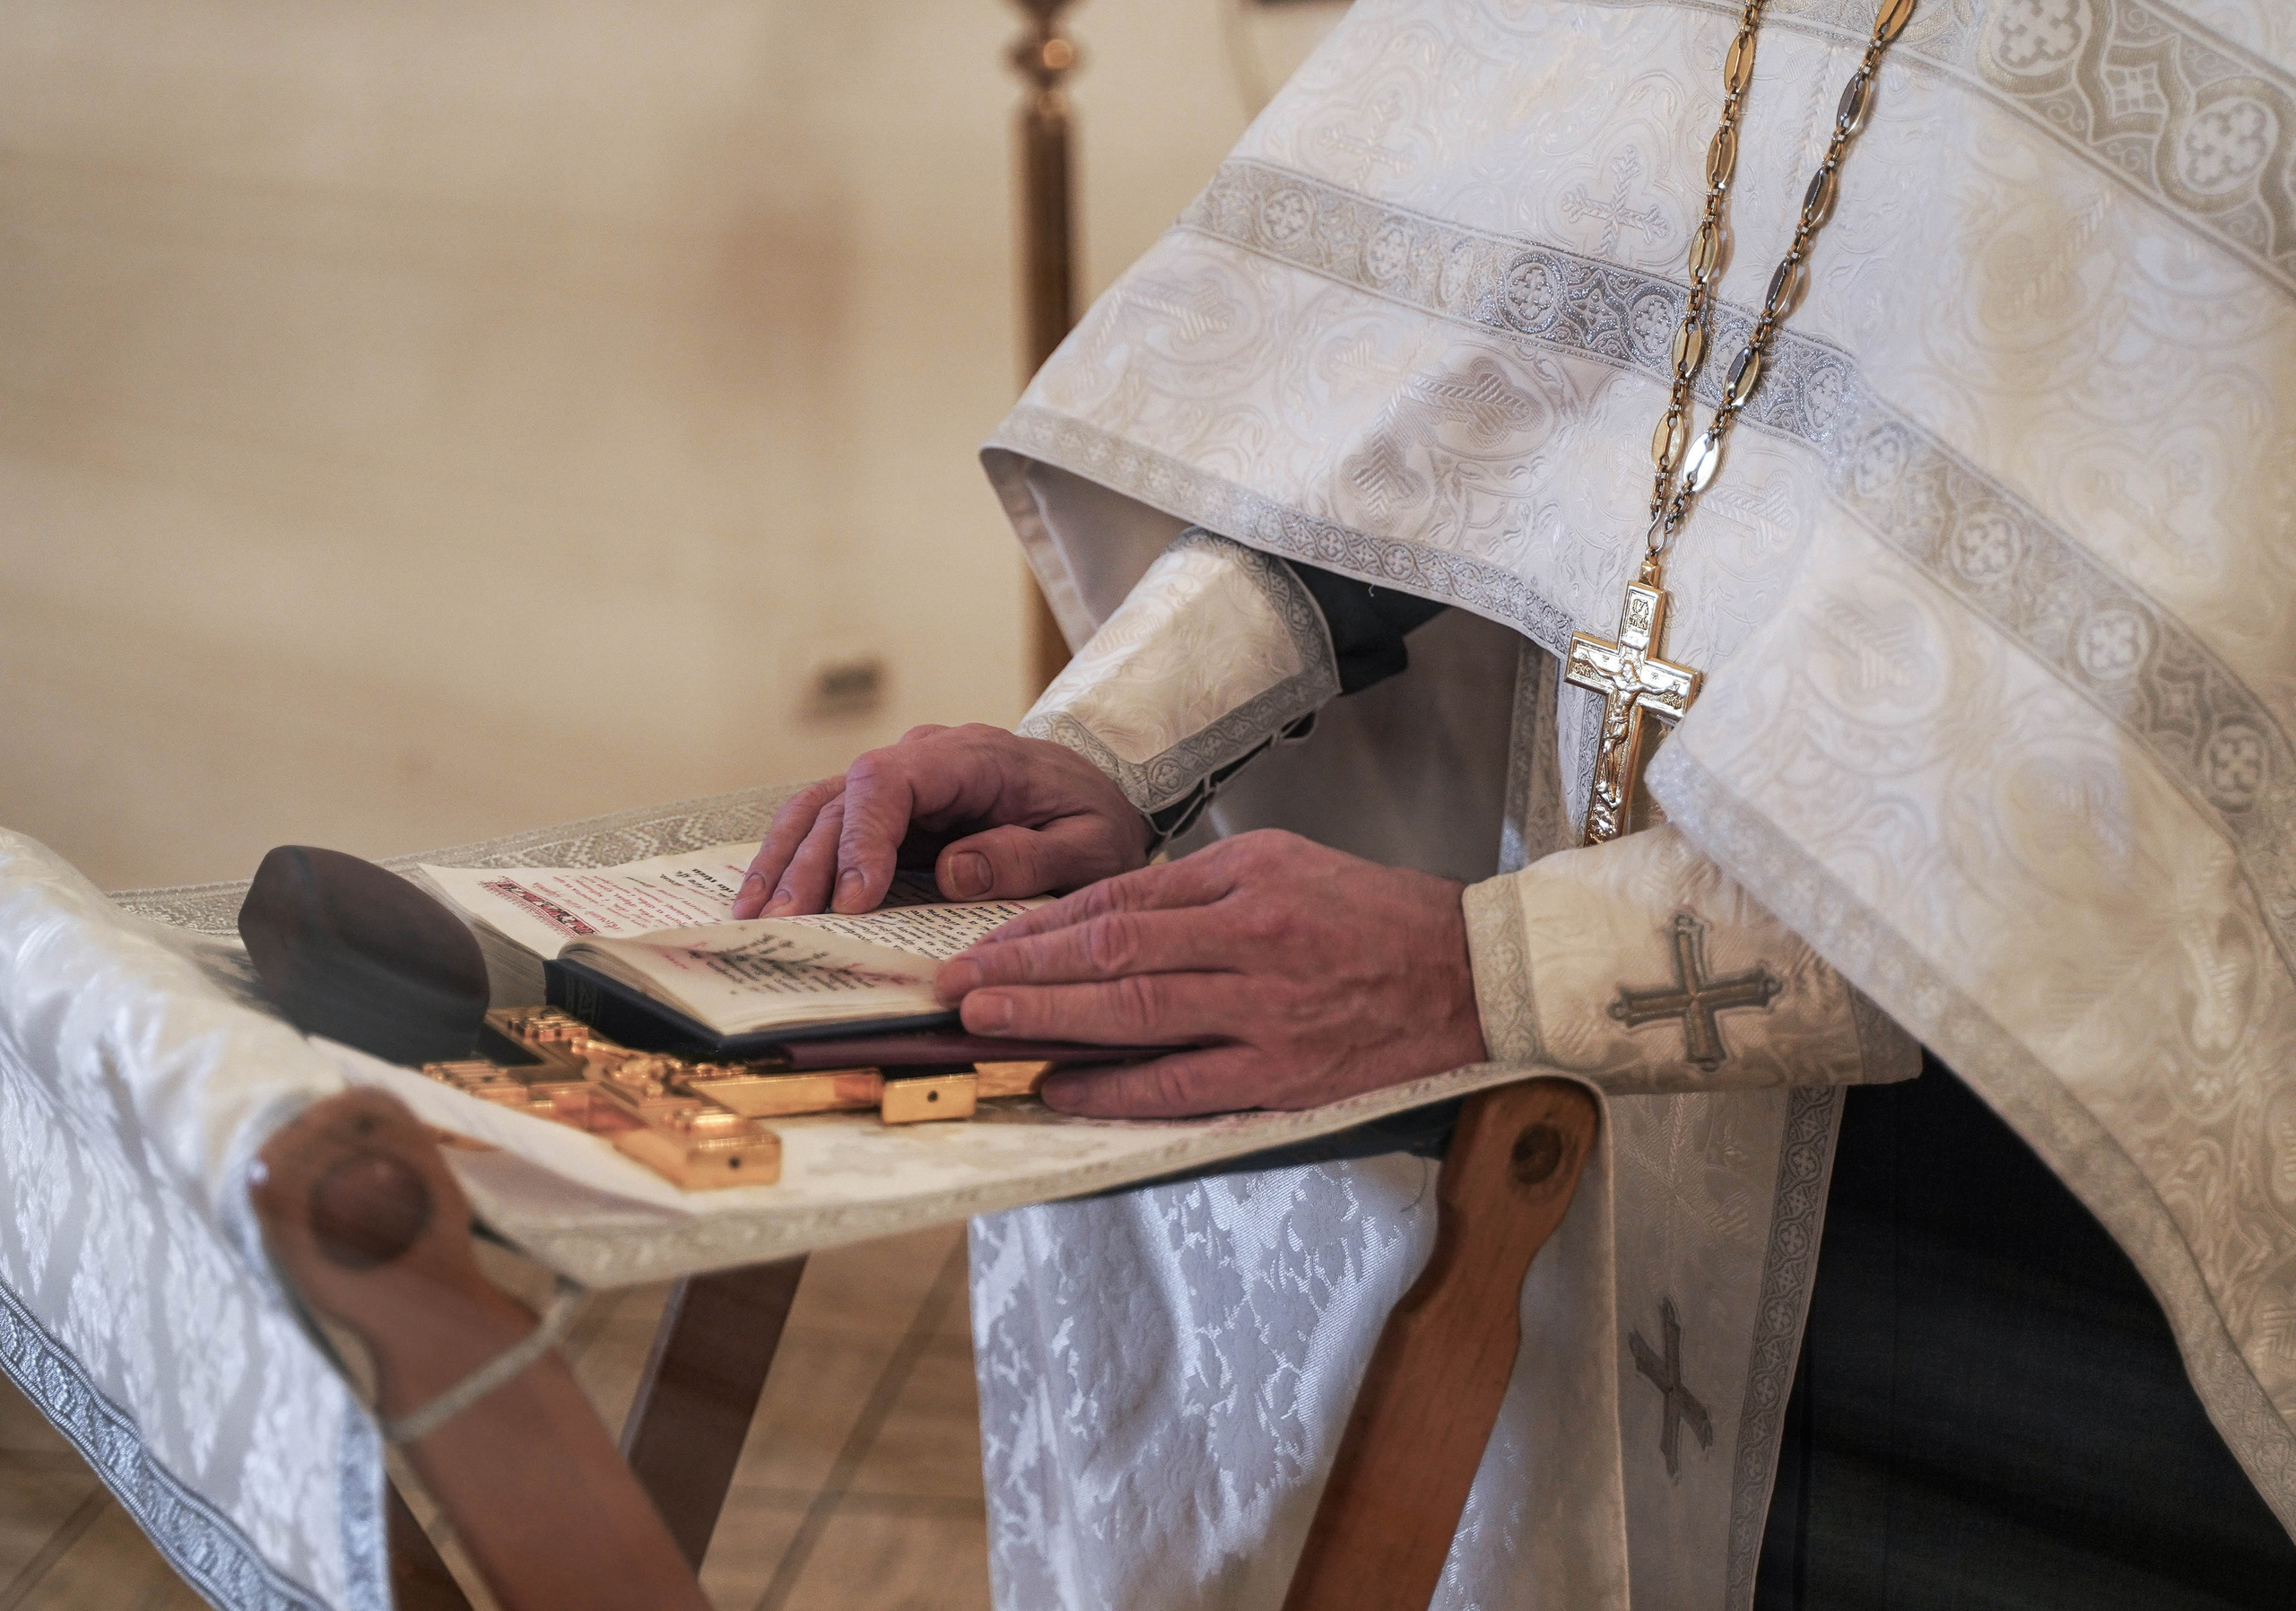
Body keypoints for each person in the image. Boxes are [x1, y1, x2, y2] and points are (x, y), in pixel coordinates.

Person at [736, 0, 2296, 1604]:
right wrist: (1110, 748)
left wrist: (1493, 972)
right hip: (1564, 1127)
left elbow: (2158, 765)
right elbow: (1436, 391)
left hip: (1996, 1243)